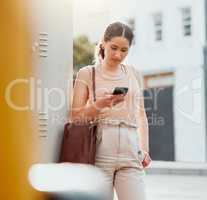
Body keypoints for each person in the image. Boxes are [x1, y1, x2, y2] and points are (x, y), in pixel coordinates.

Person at [70, 22, 151, 200]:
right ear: (103, 43)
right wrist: (101, 104)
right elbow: (75, 116)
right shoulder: (87, 73)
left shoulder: (134, 73)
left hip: (131, 151)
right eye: (113, 47)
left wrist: (144, 149)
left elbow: (141, 115)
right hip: (99, 151)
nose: (118, 55)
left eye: (124, 50)